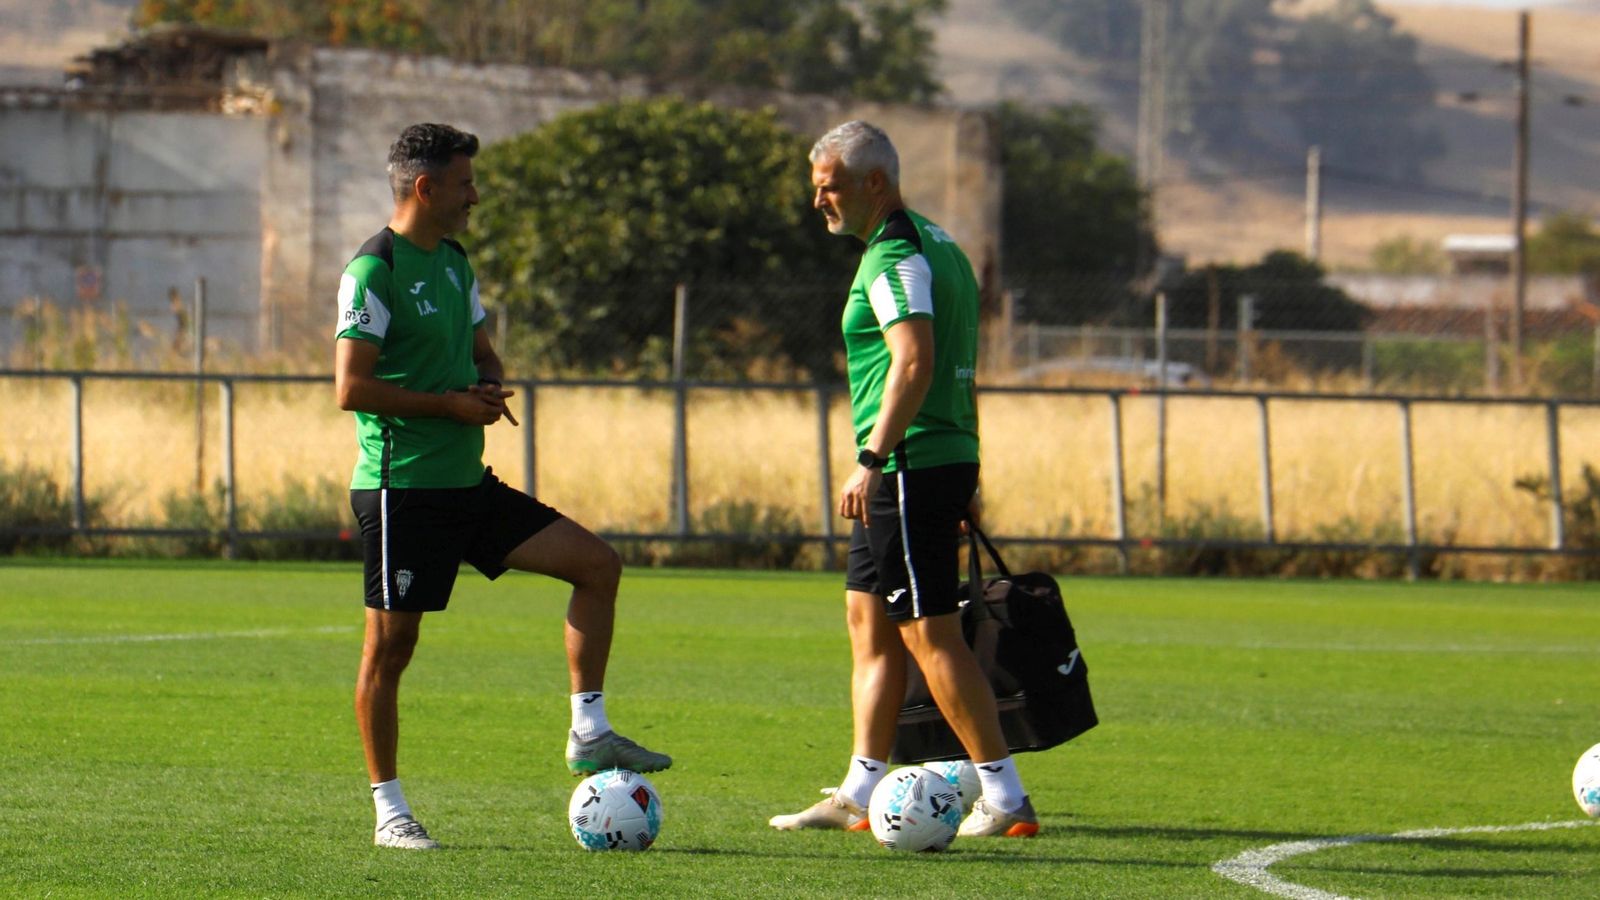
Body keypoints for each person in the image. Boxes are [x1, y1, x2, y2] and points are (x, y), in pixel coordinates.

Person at [336, 123, 670, 851]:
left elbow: (484, 350)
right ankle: (389, 810)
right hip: (403, 493)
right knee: (389, 653)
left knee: (597, 564)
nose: (475, 197)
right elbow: (351, 386)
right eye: (464, 184)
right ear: (426, 189)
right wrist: (448, 406)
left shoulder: (455, 262)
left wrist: (487, 384)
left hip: (467, 486)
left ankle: (589, 730)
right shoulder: (375, 271)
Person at [768, 120, 1038, 838]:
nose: (818, 201)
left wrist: (873, 457)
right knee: (868, 622)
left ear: (874, 183)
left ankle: (1006, 796)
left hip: (909, 465)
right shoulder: (939, 243)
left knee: (929, 632)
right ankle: (860, 790)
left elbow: (913, 362)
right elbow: (956, 362)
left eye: (829, 188)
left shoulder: (896, 257)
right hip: (930, 459)